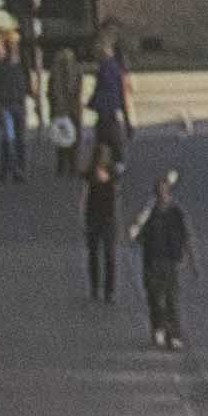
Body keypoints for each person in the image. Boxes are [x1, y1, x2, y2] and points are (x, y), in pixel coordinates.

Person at [134, 173, 195, 349]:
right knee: (154, 298)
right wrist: (138, 225)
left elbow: (186, 237)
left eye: (165, 192)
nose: (163, 195)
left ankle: (174, 334)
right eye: (159, 192)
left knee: (172, 300)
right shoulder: (149, 213)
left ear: (169, 193)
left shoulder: (176, 212)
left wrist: (192, 261)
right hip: (152, 261)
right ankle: (158, 328)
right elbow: (136, 235)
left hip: (171, 261)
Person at [78, 129, 123, 300]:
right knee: (95, 254)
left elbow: (117, 196)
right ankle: (97, 288)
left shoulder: (113, 174)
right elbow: (84, 194)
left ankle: (107, 290)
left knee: (108, 255)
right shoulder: (90, 175)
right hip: (96, 217)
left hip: (106, 218)